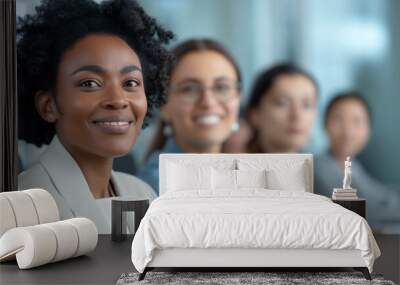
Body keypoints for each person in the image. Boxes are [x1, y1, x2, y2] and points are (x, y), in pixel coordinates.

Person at [17, 0, 173, 233]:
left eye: (130, 83)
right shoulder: (22, 203)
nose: (118, 99)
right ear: (48, 105)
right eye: (90, 83)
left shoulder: (142, 193)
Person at [137, 39, 242, 194]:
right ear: (163, 104)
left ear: (239, 98)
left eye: (221, 87)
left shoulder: (239, 176)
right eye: (189, 89)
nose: (208, 102)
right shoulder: (157, 186)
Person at [314, 92, 400, 230]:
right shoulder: (319, 168)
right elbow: (361, 212)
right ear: (325, 124)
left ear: (368, 129)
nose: (348, 131)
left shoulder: (354, 165)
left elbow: (381, 196)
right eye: (338, 120)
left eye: (357, 121)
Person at [246, 64, 318, 153]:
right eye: (283, 103)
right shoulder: (234, 165)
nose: (297, 115)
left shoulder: (320, 166)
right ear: (255, 114)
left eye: (307, 105)